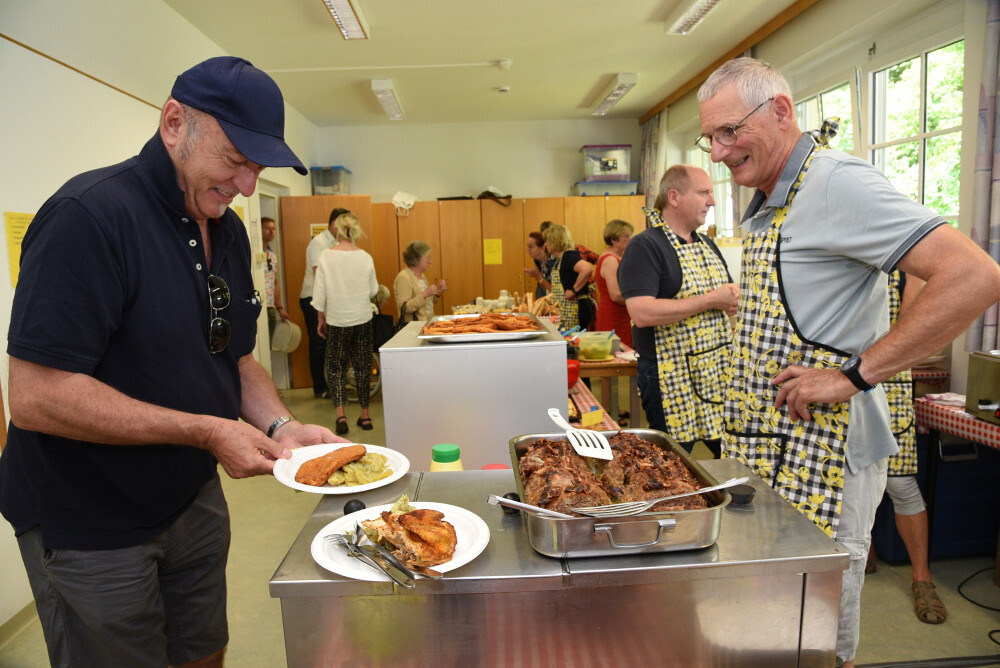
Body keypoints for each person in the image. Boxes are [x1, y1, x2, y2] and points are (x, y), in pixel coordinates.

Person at [0, 56, 344, 668]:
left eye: (258, 168)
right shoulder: (89, 216)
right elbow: (35, 397)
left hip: (192, 497)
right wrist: (207, 431)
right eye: (234, 160)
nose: (246, 186)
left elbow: (235, 356)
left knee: (204, 652)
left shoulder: (227, 231)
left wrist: (281, 426)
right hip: (91, 518)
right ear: (174, 123)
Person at [697, 57, 1000, 667]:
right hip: (771, 446)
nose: (720, 152)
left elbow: (974, 275)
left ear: (781, 111)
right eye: (711, 138)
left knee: (819, 628)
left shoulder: (835, 182)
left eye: (730, 131)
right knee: (774, 621)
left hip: (825, 452)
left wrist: (852, 375)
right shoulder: (772, 196)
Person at [618, 166, 736, 458]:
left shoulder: (707, 244)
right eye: (704, 192)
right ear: (674, 197)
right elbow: (642, 312)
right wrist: (711, 299)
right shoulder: (646, 246)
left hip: (715, 370)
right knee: (674, 462)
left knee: (729, 456)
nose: (712, 201)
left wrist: (731, 302)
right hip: (669, 376)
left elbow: (725, 301)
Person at [866, 270, 947, 624]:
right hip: (837, 375)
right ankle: (863, 551)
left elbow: (913, 327)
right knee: (844, 476)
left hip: (889, 380)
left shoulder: (906, 269)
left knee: (899, 484)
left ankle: (922, 578)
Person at [312, 212, 379, 435]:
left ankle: (341, 415)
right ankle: (365, 415)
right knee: (362, 366)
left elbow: (319, 293)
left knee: (335, 367)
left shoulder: (326, 256)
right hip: (362, 319)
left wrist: (320, 318)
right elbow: (373, 290)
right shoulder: (366, 257)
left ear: (336, 230)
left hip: (337, 320)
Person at [300, 206, 350, 398]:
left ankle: (335, 385)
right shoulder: (319, 243)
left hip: (329, 300)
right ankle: (319, 388)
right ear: (334, 223)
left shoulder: (338, 243)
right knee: (318, 344)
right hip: (313, 299)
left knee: (332, 345)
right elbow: (319, 275)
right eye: (345, 223)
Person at [542, 223, 595, 331]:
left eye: (547, 240)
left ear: (554, 241)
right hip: (566, 310)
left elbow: (587, 269)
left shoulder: (568, 256)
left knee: (573, 339)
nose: (545, 244)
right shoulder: (560, 259)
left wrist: (574, 290)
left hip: (576, 309)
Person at [594, 219, 634, 348]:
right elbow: (616, 295)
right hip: (614, 316)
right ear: (614, 240)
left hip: (621, 313)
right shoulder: (610, 260)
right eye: (626, 236)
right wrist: (638, 302)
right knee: (618, 352)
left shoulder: (616, 257)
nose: (630, 239)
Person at [394, 240, 446, 323]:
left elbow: (427, 304)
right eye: (427, 257)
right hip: (414, 327)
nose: (430, 261)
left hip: (427, 323)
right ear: (416, 258)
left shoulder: (422, 276)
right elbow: (404, 308)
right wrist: (425, 294)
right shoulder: (403, 277)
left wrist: (437, 292)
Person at [261, 216, 289, 338]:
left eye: (273, 228)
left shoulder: (272, 255)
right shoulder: (254, 252)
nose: (271, 232)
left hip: (270, 305)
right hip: (260, 304)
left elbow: (275, 283)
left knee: (269, 343)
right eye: (267, 228)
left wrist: (280, 308)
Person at [524, 231, 553, 298]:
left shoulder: (553, 262)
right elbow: (545, 287)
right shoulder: (538, 260)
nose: (527, 250)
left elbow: (555, 291)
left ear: (543, 247)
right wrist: (537, 277)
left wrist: (539, 276)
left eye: (531, 247)